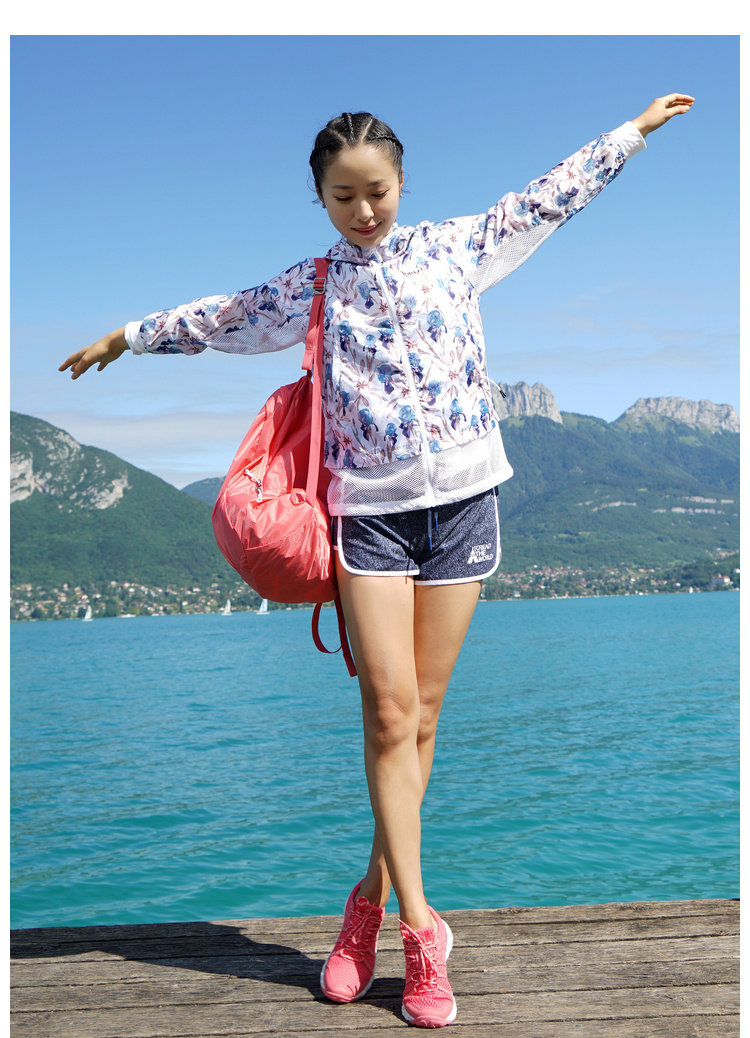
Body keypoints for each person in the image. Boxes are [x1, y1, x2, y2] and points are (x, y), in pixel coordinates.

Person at [60, 93, 694, 1028]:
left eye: (378, 192)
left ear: (402, 183)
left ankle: (366, 902)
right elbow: (226, 315)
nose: (364, 211)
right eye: (344, 197)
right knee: (390, 714)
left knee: (422, 718)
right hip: (371, 518)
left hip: (465, 506)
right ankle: (421, 931)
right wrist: (132, 335)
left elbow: (549, 197)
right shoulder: (315, 283)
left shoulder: (458, 247)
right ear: (319, 198)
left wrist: (630, 134)